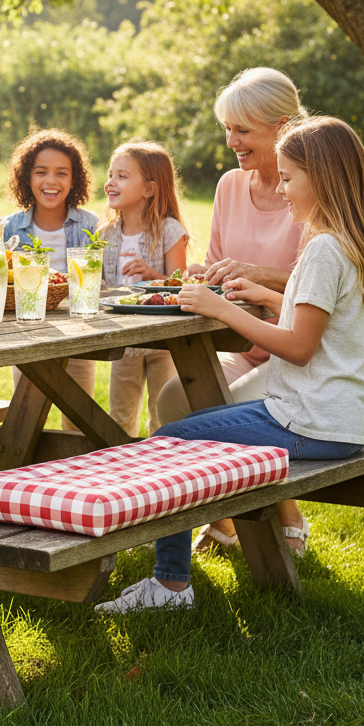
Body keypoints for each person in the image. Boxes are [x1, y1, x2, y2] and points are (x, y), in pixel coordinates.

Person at [96, 116, 364, 614]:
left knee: (169, 441)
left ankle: (169, 586)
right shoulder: (350, 242)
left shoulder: (323, 249)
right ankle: (190, 562)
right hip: (340, 417)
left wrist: (223, 309)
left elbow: (298, 347)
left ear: (320, 179)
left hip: (309, 418)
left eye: (288, 178)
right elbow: (324, 327)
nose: (282, 189)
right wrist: (261, 296)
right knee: (192, 430)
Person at [154, 67, 308, 553]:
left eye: (243, 130)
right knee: (174, 398)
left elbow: (324, 285)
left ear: (282, 127)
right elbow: (221, 263)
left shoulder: (308, 189)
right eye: (227, 128)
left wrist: (258, 274)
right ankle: (227, 518)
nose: (230, 141)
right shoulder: (228, 186)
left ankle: (275, 515)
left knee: (222, 407)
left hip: (293, 348)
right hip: (240, 338)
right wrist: (203, 272)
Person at [99, 141, 188, 437]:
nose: (111, 182)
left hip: (163, 341)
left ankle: (161, 471)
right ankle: (118, 469)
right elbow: (101, 284)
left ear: (149, 189)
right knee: (119, 416)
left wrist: (152, 276)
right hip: (124, 341)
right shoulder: (106, 234)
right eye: (111, 174)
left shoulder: (169, 230)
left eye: (122, 176)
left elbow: (181, 284)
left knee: (163, 416)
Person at [5, 129, 100, 403]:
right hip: (28, 335)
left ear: (74, 181)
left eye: (61, 173)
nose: (51, 181)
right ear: (27, 178)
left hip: (79, 335)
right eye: (41, 172)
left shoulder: (89, 225)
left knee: (81, 412)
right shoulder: (11, 227)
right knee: (26, 409)